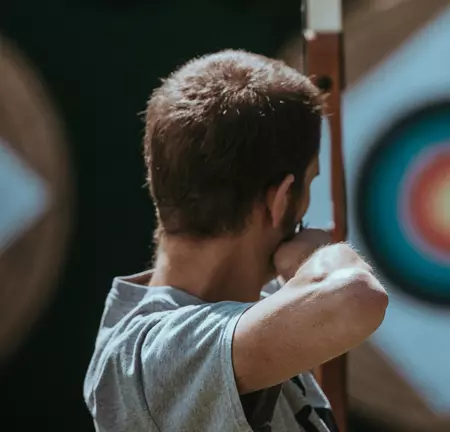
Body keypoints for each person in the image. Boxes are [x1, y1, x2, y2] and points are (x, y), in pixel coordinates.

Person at [83, 50, 388, 432]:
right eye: (309, 183)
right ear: (280, 200)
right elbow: (356, 297)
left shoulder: (250, 313)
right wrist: (317, 258)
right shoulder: (154, 355)